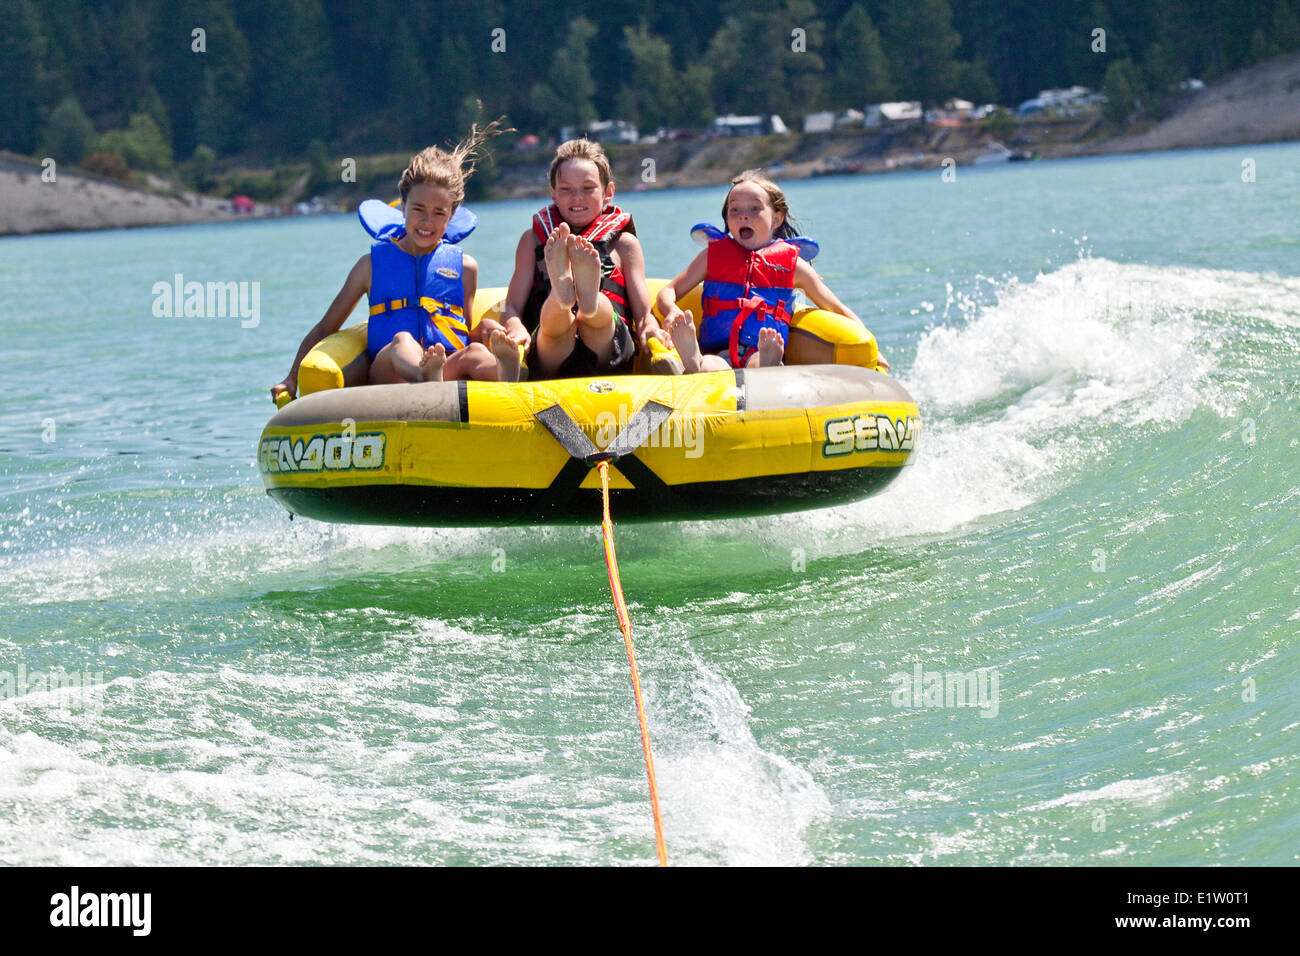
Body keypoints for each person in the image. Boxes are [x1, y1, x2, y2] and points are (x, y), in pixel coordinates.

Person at [270, 123, 522, 404]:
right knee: (403, 340)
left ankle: (506, 375)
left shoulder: (465, 267)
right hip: (390, 374)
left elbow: (463, 327)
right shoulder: (370, 266)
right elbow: (326, 327)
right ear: (402, 207)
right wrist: (292, 376)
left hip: (444, 368)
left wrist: (488, 330)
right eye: (418, 210)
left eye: (439, 213)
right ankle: (425, 375)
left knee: (474, 353)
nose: (428, 222)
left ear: (451, 217)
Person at [656, 169, 888, 372]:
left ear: (776, 219)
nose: (743, 215)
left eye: (755, 208)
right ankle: (693, 359)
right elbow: (668, 292)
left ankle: (768, 363)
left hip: (763, 348)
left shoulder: (794, 266)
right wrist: (672, 311)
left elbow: (835, 308)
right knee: (710, 365)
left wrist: (871, 347)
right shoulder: (711, 257)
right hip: (719, 352)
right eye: (734, 210)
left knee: (759, 362)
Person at [499, 139, 672, 380]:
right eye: (566, 189)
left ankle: (588, 300)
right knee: (554, 324)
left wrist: (651, 329)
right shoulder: (532, 241)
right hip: (552, 356)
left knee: (598, 320)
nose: (576, 197)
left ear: (608, 193)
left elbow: (644, 314)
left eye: (588, 188)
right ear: (553, 194)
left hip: (609, 349)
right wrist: (515, 326)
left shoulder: (623, 244)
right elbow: (512, 308)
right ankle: (563, 296)